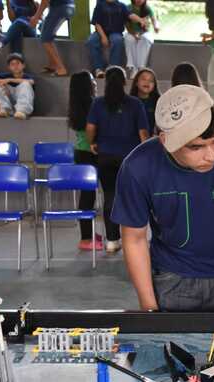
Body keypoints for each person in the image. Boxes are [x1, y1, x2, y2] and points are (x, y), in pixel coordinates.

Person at [111, 84, 214, 312]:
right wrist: (149, 307)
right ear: (165, 141)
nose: (211, 156)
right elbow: (134, 239)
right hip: (172, 280)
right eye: (196, 147)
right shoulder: (139, 166)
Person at [86, 66, 149, 253]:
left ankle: (112, 240)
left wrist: (92, 142)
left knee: (110, 196)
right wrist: (146, 153)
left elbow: (90, 128)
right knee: (133, 198)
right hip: (130, 157)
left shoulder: (98, 103)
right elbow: (143, 133)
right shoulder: (135, 104)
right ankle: (135, 239)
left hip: (105, 155)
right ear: (124, 82)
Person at [68, 70, 102, 251]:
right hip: (91, 152)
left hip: (81, 153)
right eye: (91, 81)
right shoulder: (93, 105)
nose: (95, 83)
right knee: (89, 196)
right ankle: (86, 239)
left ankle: (86, 235)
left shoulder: (76, 106)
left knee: (87, 195)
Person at [87, 0, 145, 78]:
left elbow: (130, 15)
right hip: (100, 31)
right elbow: (97, 23)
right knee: (92, 40)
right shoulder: (100, 5)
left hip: (116, 32)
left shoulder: (121, 6)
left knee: (117, 40)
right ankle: (98, 69)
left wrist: (140, 20)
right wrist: (103, 36)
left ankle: (112, 68)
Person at [30, 0, 74, 77]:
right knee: (43, 29)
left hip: (60, 8)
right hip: (68, 6)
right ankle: (53, 64)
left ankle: (61, 68)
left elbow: (45, 1)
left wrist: (36, 17)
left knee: (45, 38)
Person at [0, 52, 33, 119]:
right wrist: (0, 83)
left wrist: (9, 80)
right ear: (9, 67)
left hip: (21, 102)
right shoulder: (5, 75)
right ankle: (3, 109)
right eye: (12, 64)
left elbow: (31, 82)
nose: (15, 66)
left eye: (18, 63)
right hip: (9, 99)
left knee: (25, 83)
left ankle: (22, 111)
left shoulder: (27, 76)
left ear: (23, 65)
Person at [124, 0, 158, 79]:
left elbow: (153, 19)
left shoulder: (147, 8)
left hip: (144, 32)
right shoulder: (128, 8)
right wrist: (134, 34)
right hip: (131, 32)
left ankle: (141, 68)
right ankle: (134, 68)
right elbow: (126, 24)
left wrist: (155, 27)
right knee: (129, 39)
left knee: (144, 39)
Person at [129, 67, 159, 135]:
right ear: (136, 82)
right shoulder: (128, 101)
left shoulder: (158, 102)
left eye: (151, 81)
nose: (147, 82)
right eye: (143, 79)